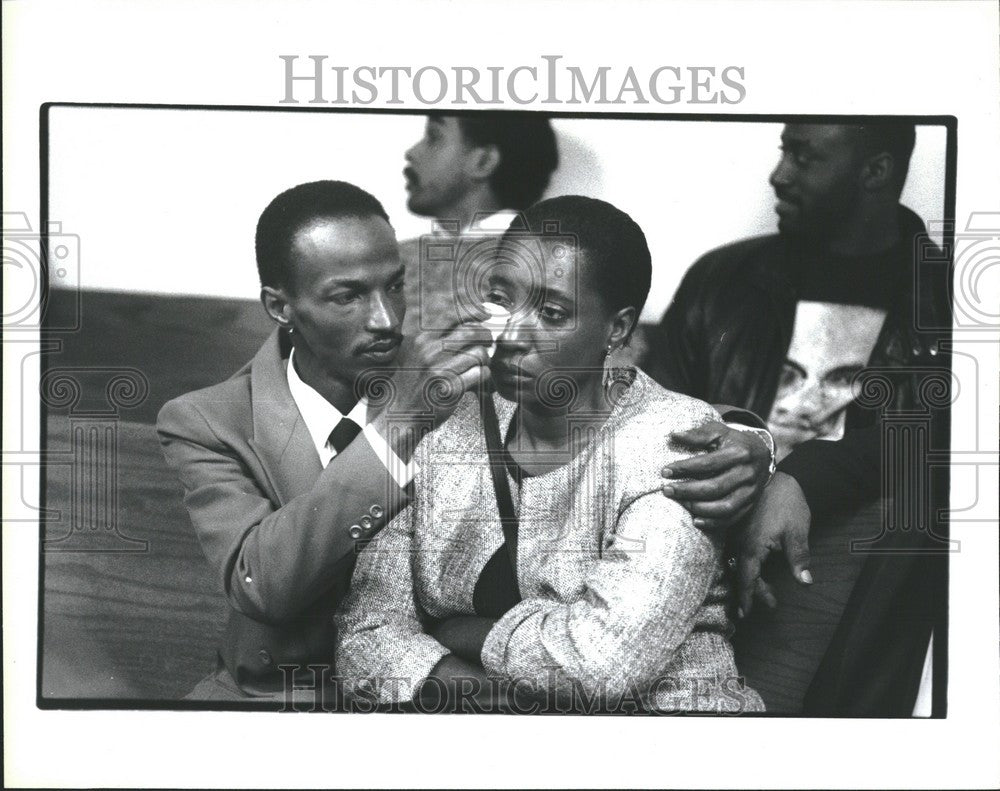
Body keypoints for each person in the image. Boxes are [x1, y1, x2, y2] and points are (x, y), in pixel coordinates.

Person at [336, 196, 766, 714]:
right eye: (500, 299)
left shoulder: (674, 441)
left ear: (618, 329)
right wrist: (490, 699)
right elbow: (366, 636)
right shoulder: (443, 424)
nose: (512, 336)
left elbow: (605, 664)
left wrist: (460, 632)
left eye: (552, 312)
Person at [642, 122, 951, 715]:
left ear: (876, 172)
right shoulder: (722, 281)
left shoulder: (952, 305)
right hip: (695, 591)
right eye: (785, 149)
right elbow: (656, 424)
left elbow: (945, 450)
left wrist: (807, 475)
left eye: (804, 157)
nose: (779, 173)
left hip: (838, 613)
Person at [156, 180, 494, 701]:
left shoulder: (448, 382)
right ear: (280, 306)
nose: (386, 320)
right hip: (275, 698)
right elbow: (263, 588)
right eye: (348, 296)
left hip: (425, 692)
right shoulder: (205, 421)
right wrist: (399, 423)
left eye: (396, 286)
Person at [403, 110, 774, 533]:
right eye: (499, 299)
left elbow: (616, 392)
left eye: (434, 137)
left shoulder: (572, 265)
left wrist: (748, 432)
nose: (411, 152)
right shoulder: (404, 258)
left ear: (483, 161)